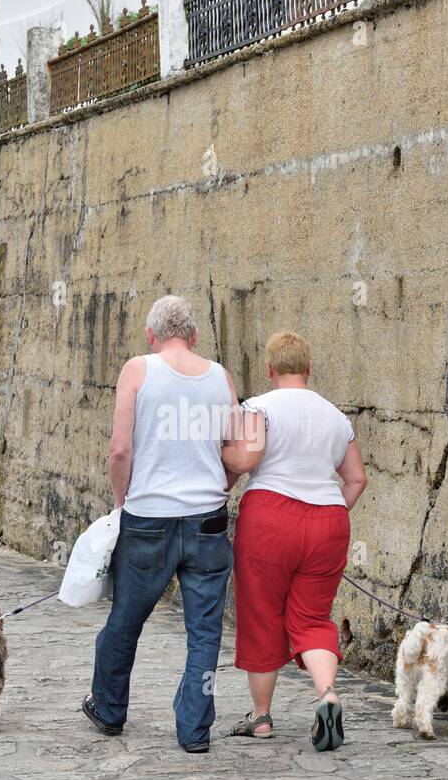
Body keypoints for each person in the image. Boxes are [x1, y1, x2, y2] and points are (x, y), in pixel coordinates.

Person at [81, 296, 239, 753]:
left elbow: (119, 450)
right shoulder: (220, 377)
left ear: (151, 336)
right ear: (193, 335)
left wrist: (121, 502)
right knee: (205, 632)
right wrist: (221, 484)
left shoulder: (138, 369)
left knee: (125, 620)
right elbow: (239, 445)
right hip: (207, 519)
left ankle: (109, 710)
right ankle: (194, 729)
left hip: (148, 516)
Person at [221, 331, 367, 751]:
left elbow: (242, 464)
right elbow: (356, 479)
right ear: (309, 368)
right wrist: (326, 516)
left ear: (269, 370)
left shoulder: (258, 407)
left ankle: (261, 717)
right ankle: (327, 695)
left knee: (262, 614)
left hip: (269, 517)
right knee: (312, 619)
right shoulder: (337, 417)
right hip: (328, 520)